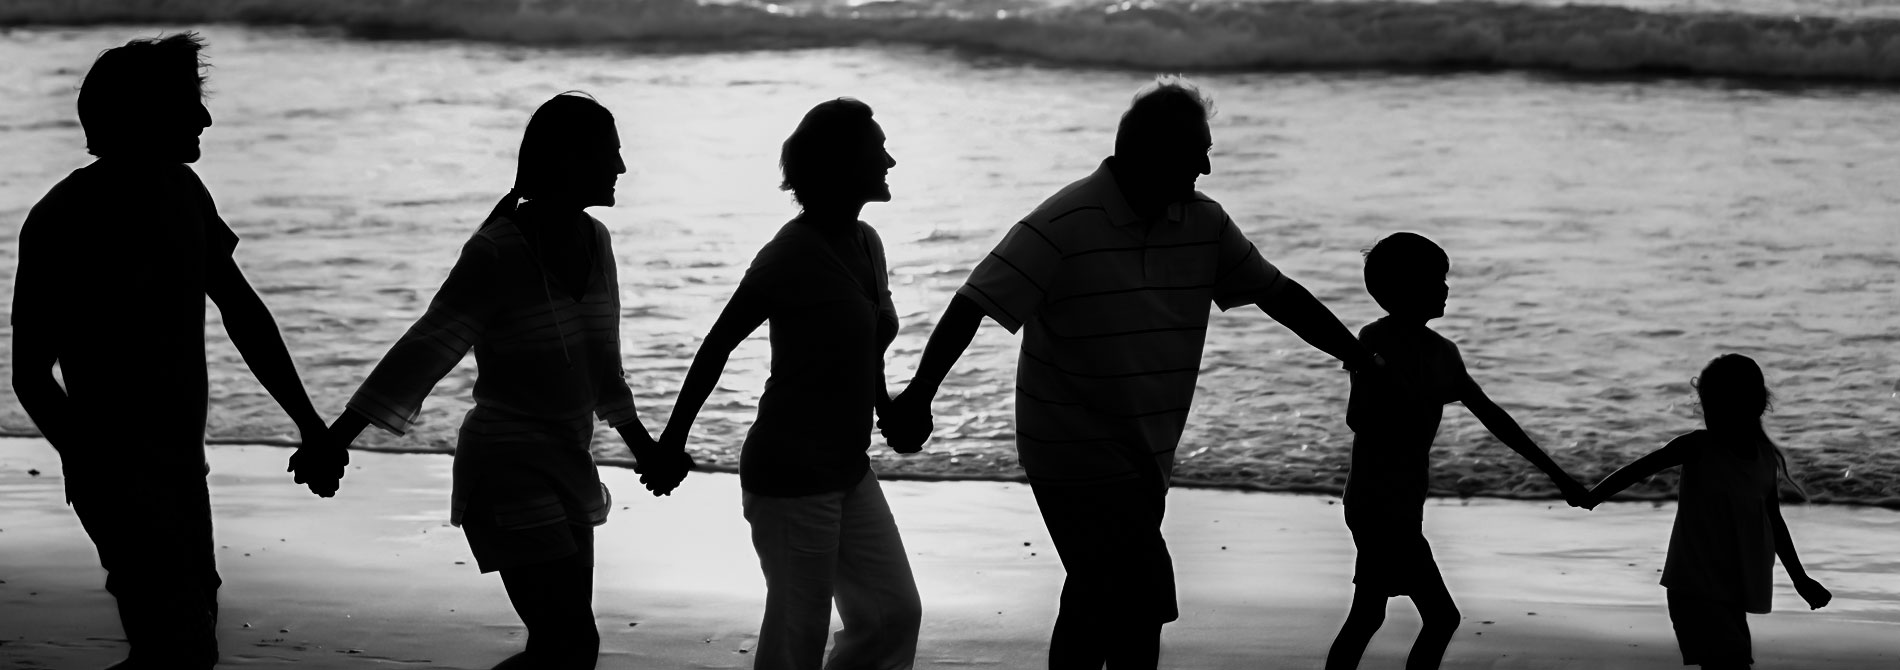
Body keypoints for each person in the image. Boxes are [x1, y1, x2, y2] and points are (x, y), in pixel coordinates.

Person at [884, 76, 1380, 670]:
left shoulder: (1204, 223)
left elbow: (1279, 294)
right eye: (1198, 152)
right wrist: (919, 394)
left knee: (1095, 592)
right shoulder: (1066, 222)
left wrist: (1355, 355)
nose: (1206, 168)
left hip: (1146, 449)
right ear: (1154, 153)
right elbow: (976, 300)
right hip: (1070, 446)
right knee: (1141, 599)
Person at [311, 92, 687, 670]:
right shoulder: (498, 249)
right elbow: (426, 348)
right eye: (609, 153)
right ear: (566, 159)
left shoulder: (597, 241)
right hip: (506, 463)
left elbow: (602, 369)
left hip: (569, 460)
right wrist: (336, 440)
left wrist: (648, 453)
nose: (621, 167)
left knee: (560, 647)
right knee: (570, 646)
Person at [9, 32, 333, 669]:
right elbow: (30, 374)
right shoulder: (62, 217)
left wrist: (310, 422)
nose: (206, 118)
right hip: (119, 471)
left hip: (183, 465)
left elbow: (243, 313)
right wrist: (93, 464)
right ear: (143, 114)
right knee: (177, 645)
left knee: (184, 639)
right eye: (190, 104)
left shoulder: (186, 196)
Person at [652, 97, 922, 670]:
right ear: (842, 164)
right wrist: (671, 442)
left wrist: (885, 407)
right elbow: (716, 346)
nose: (890, 160)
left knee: (892, 614)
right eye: (878, 150)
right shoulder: (791, 254)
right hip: (791, 477)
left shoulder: (867, 241)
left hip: (849, 468)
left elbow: (865, 340)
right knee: (795, 644)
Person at [1323, 232, 1589, 670]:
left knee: (1370, 614)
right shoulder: (1374, 339)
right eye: (1435, 279)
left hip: (1404, 504)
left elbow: (1495, 418)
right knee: (1438, 617)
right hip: (1376, 504)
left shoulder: (1444, 353)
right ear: (1402, 289)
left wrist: (1559, 476)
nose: (1446, 288)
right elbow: (1359, 418)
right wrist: (1391, 385)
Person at [1582, 354, 1831, 670]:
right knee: (1732, 664)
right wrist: (1593, 496)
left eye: (1717, 405)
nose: (1709, 414)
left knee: (1732, 663)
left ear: (1752, 405)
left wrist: (1800, 579)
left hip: (1732, 591)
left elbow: (1774, 522)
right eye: (1707, 405)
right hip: (1693, 587)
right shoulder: (1697, 447)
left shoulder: (1764, 458)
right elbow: (1640, 468)